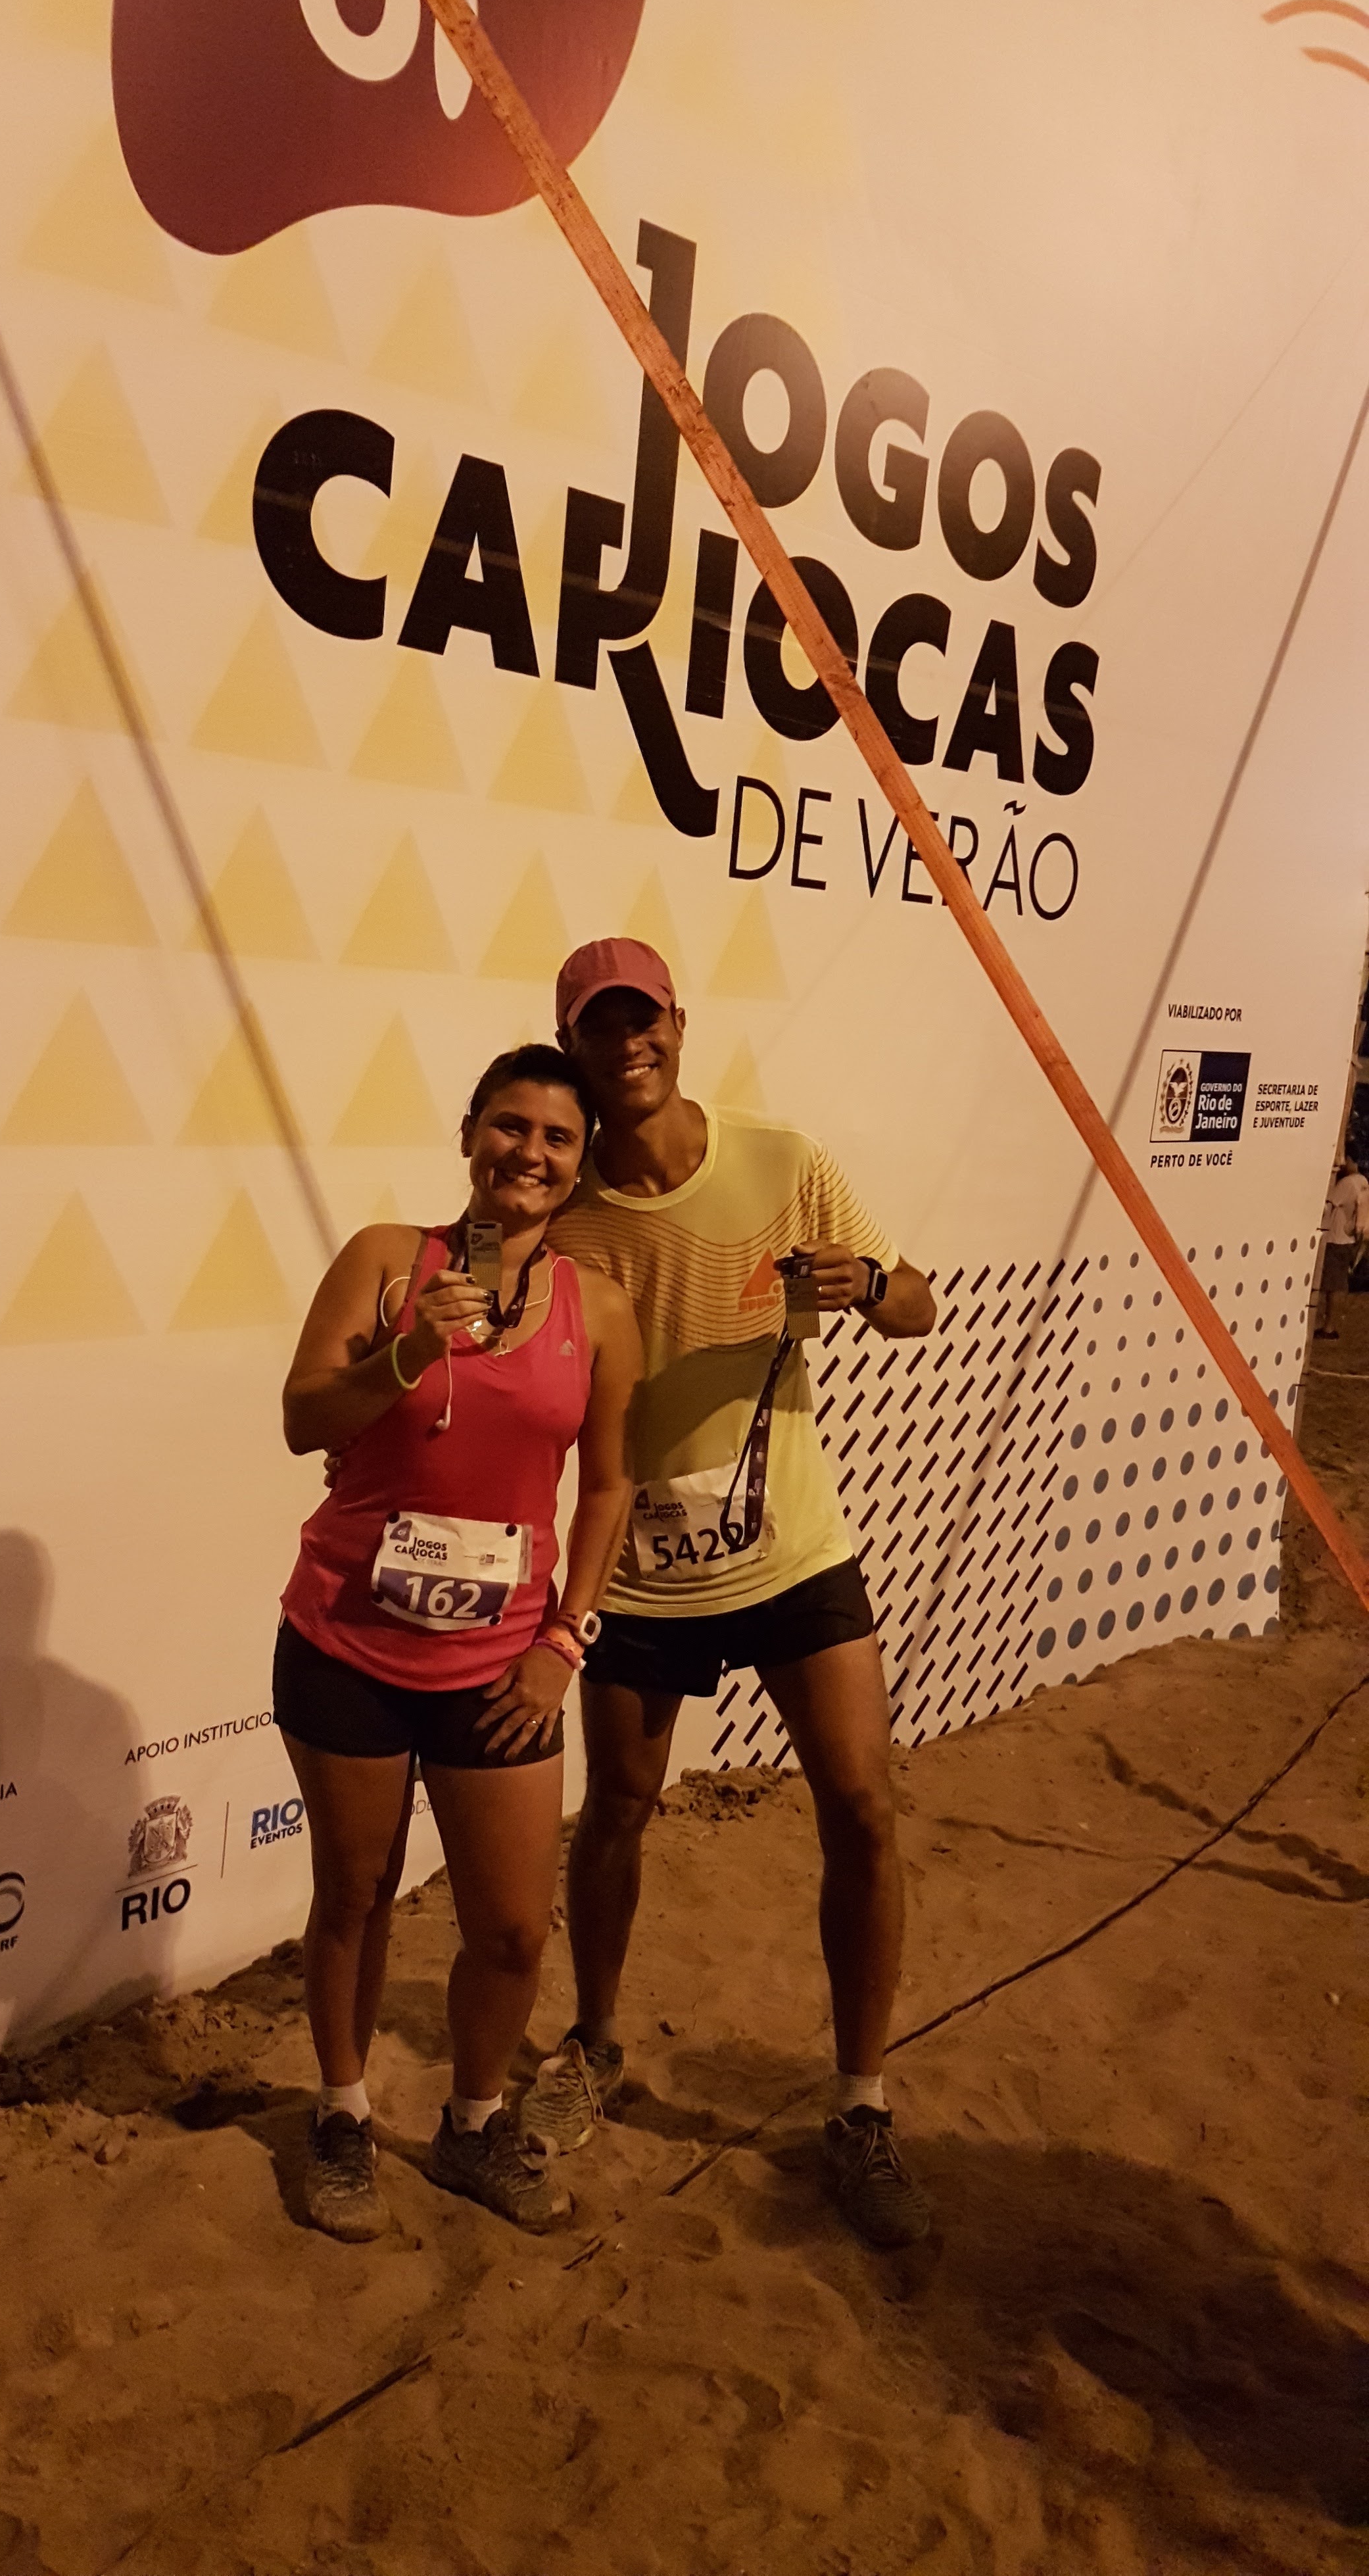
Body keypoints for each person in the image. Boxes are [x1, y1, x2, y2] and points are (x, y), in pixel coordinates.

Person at [518, 938, 938, 2248]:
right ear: (575, 1047)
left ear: (679, 1025)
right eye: (602, 1026)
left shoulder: (779, 1160)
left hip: (793, 1552)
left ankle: (860, 2103)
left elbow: (918, 1305)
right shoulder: (561, 1210)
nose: (628, 1042)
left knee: (862, 1806)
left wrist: (868, 1286)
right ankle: (594, 2043)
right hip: (643, 1572)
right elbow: (495, 1351)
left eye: (643, 1018)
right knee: (620, 1809)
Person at [277, 1044, 640, 2240]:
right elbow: (303, 1419)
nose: (528, 1153)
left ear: (580, 1165)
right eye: (509, 1126)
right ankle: (341, 2116)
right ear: (471, 1133)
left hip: (502, 1665)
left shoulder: (601, 1309)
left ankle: (472, 2125)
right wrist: (406, 1353)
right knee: (355, 1895)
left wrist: (565, 1639)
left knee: (513, 1928)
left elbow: (609, 1486)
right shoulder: (388, 1261)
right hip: (347, 1638)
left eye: (557, 1138)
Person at [1316, 1155, 1368, 1341]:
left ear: (1351, 1159)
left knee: (1332, 1286)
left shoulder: (1347, 1183)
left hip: (1336, 1239)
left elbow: (1327, 1203)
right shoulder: (1362, 1182)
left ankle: (1329, 1327)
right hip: (1348, 1239)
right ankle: (1329, 1325)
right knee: (1337, 1285)